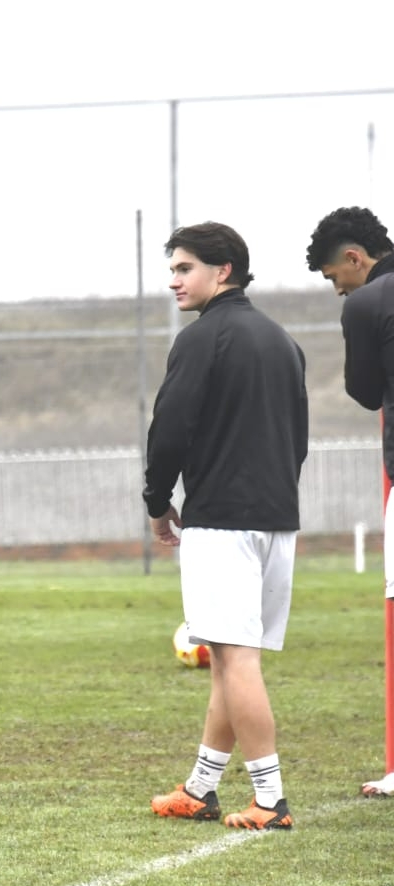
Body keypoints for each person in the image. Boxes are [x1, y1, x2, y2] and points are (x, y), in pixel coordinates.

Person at [145, 222, 307, 830]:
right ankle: (200, 787)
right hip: (276, 521)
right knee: (225, 652)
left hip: (222, 523)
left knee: (237, 659)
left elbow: (169, 429)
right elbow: (298, 437)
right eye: (173, 268)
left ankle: (270, 800)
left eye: (185, 268)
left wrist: (157, 501)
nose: (174, 279)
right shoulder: (281, 340)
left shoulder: (202, 338)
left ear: (223, 272)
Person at [305, 205, 394, 798]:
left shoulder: (367, 303)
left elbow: (364, 392)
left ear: (355, 258)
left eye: (335, 277)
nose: (338, 288)